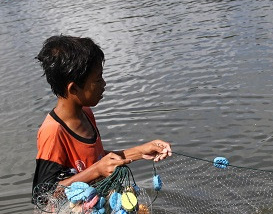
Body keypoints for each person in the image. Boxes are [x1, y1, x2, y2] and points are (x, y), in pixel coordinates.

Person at [32, 35, 171, 203]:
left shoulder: (86, 114)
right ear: (74, 88)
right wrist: (96, 171)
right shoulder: (53, 132)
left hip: (94, 209)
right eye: (97, 79)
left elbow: (95, 160)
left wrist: (141, 151)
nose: (103, 84)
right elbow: (43, 195)